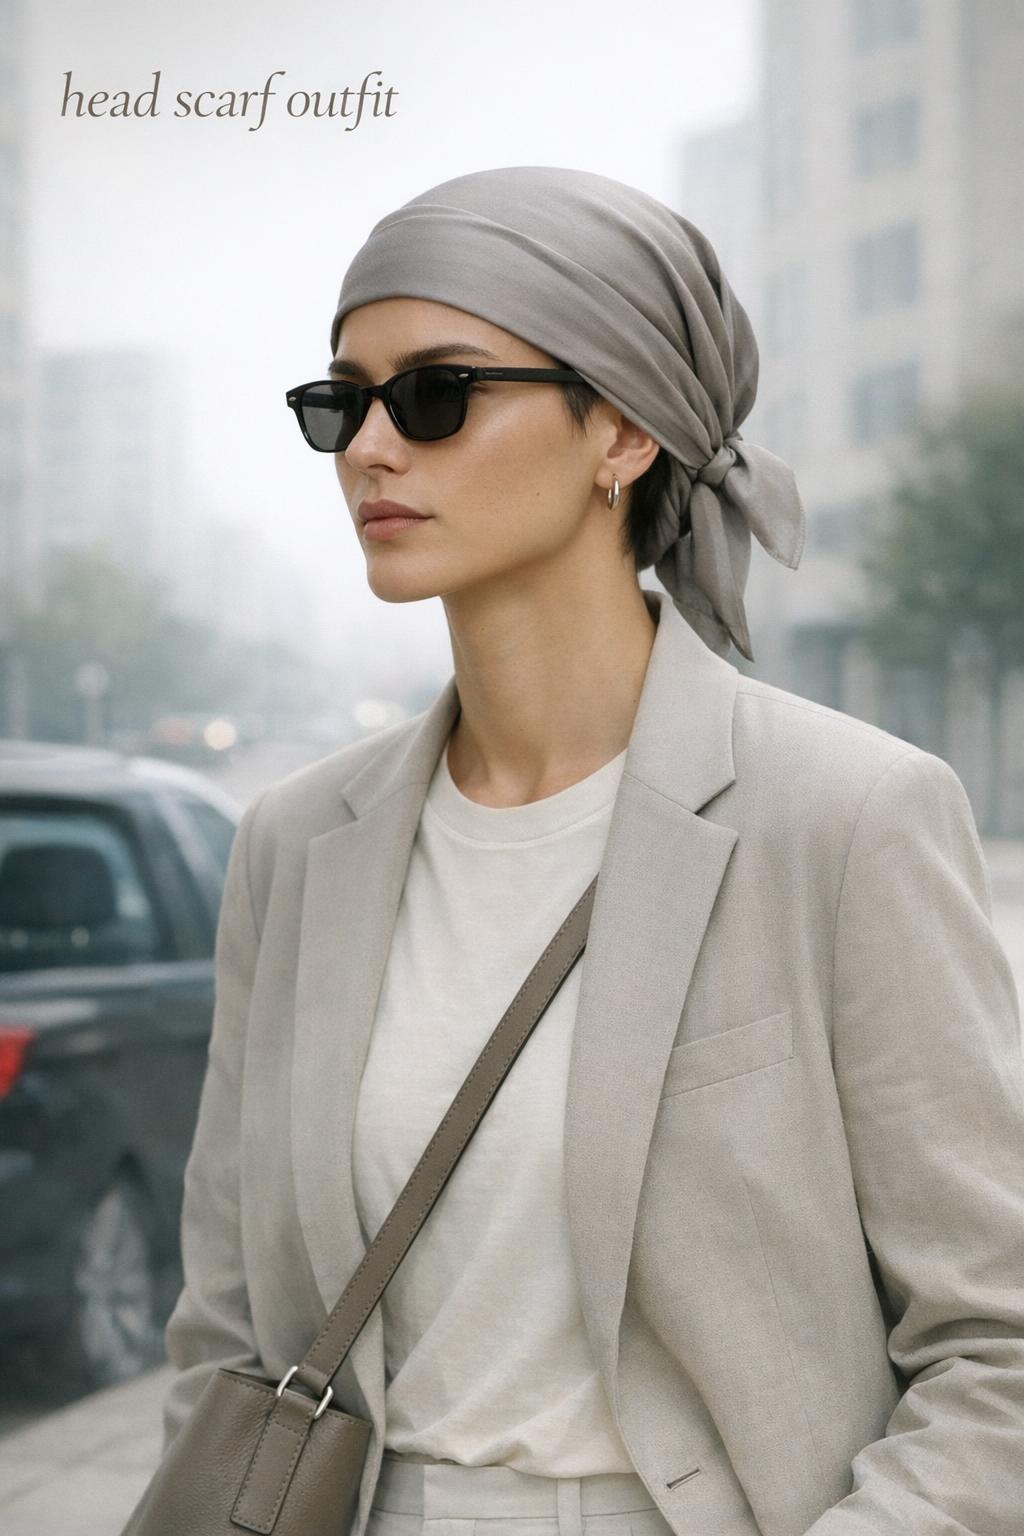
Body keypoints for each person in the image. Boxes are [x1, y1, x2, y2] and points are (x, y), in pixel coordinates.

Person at [161, 166, 1024, 1536]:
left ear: (621, 429)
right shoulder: (293, 846)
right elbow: (227, 1323)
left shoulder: (847, 817)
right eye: (343, 401)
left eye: (436, 395)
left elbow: (997, 1348)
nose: (371, 448)